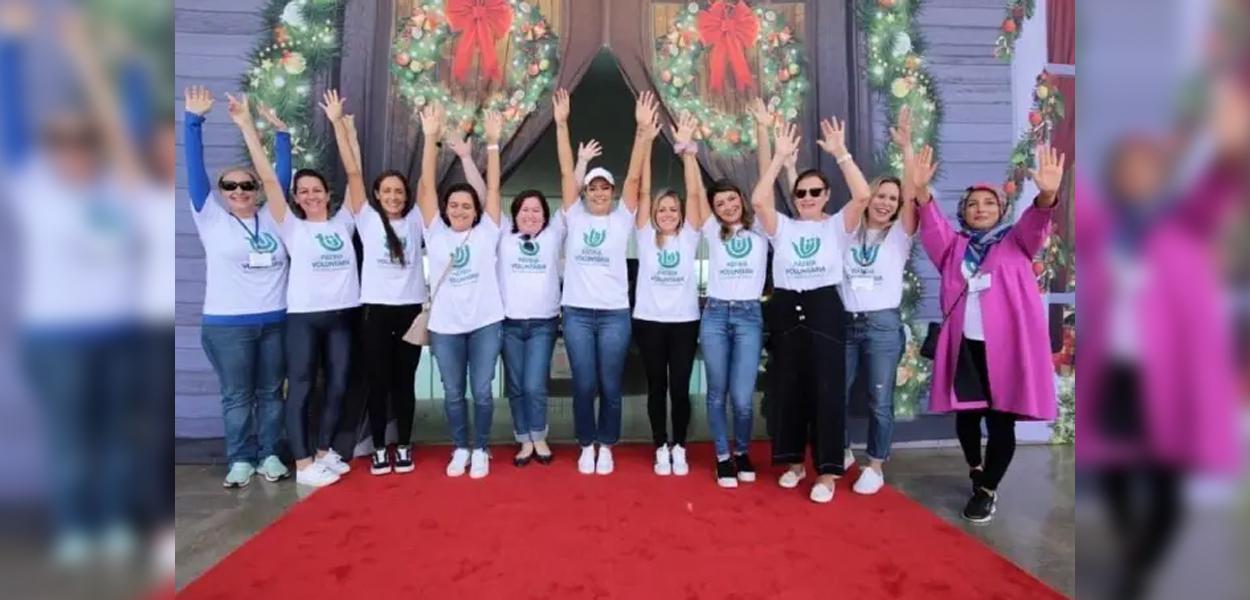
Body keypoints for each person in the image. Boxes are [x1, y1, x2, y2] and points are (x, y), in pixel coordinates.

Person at [914, 142, 1065, 522]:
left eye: (989, 203)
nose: (980, 208)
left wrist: (1047, 194)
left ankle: (986, 490)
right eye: (972, 204)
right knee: (966, 417)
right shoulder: (953, 248)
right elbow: (930, 223)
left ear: (1001, 210)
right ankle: (975, 468)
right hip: (965, 348)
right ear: (963, 212)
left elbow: (1039, 219)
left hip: (1006, 351)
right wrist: (919, 191)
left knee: (1001, 421)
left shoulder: (1016, 241)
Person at [229, 92, 357, 488]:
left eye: (316, 189)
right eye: (303, 191)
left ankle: (322, 454)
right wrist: (248, 126)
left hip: (344, 315)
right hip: (303, 317)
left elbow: (355, 175)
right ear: (297, 199)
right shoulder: (291, 226)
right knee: (300, 387)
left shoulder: (345, 222)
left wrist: (339, 124)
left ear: (327, 194)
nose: (310, 195)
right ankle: (302, 464)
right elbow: (268, 178)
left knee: (337, 385)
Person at [182, 86, 291, 489]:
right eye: (230, 187)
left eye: (247, 186)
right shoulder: (210, 218)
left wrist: (282, 137)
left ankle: (270, 454)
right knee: (237, 396)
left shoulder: (275, 217)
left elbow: (279, 177)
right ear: (222, 193)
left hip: (275, 321)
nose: (240, 192)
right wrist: (193, 122)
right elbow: (194, 171)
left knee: (270, 394)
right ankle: (241, 458)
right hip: (228, 325)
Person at [753, 120, 864, 503]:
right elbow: (758, 201)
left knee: (827, 394)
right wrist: (779, 158)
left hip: (824, 309)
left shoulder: (837, 226)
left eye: (815, 191)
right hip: (785, 310)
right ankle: (794, 464)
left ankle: (828, 473)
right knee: (788, 391)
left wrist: (841, 154)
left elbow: (863, 196)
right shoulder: (782, 226)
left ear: (827, 194)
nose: (807, 196)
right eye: (801, 192)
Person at [320, 90, 429, 476]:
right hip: (376, 312)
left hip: (412, 311)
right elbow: (353, 172)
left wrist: (431, 138)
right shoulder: (365, 218)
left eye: (399, 191)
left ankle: (404, 446)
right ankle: (380, 446)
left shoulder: (417, 219)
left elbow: (429, 180)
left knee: (405, 383)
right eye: (387, 192)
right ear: (377, 195)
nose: (394, 196)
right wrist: (337, 125)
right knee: (379, 381)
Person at [552, 88, 644, 475]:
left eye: (605, 187)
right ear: (586, 193)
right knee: (583, 384)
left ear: (612, 192)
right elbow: (563, 173)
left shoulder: (622, 219)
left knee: (609, 384)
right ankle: (585, 443)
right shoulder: (575, 216)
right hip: (576, 314)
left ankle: (606, 443)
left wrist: (641, 133)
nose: (600, 193)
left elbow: (636, 175)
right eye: (594, 188)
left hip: (613, 315)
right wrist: (561, 125)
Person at [417, 103, 505, 479]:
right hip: (446, 326)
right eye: (453, 204)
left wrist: (494, 145)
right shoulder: (434, 231)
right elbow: (424, 186)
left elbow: (496, 188)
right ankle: (460, 448)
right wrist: (429, 139)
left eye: (466, 205)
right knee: (453, 393)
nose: (459, 210)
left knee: (482, 391)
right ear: (445, 209)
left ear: (476, 209)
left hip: (485, 322)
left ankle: (482, 447)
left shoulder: (487, 230)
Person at [679, 126, 768, 489]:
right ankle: (721, 456)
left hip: (749, 315)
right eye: (720, 204)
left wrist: (763, 134)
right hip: (715, 315)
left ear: (742, 201)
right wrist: (689, 153)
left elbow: (764, 179)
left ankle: (743, 450)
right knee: (716, 392)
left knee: (743, 397)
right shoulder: (712, 230)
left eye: (732, 200)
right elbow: (694, 192)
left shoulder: (761, 226)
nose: (727, 207)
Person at [838, 107, 920, 495]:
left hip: (883, 325)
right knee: (834, 391)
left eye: (893, 197)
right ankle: (841, 450)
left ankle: (875, 464)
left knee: (879, 399)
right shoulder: (848, 232)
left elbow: (912, 197)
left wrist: (906, 148)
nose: (886, 202)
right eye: (880, 195)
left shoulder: (901, 236)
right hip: (845, 323)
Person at [632, 107, 699, 477]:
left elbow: (692, 191)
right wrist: (644, 138)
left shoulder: (690, 235)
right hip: (650, 322)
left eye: (673, 209)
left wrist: (687, 151)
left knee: (681, 388)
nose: (668, 213)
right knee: (657, 386)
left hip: (685, 323)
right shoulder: (644, 236)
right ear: (654, 213)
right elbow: (642, 187)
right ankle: (660, 445)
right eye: (662, 208)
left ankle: (680, 447)